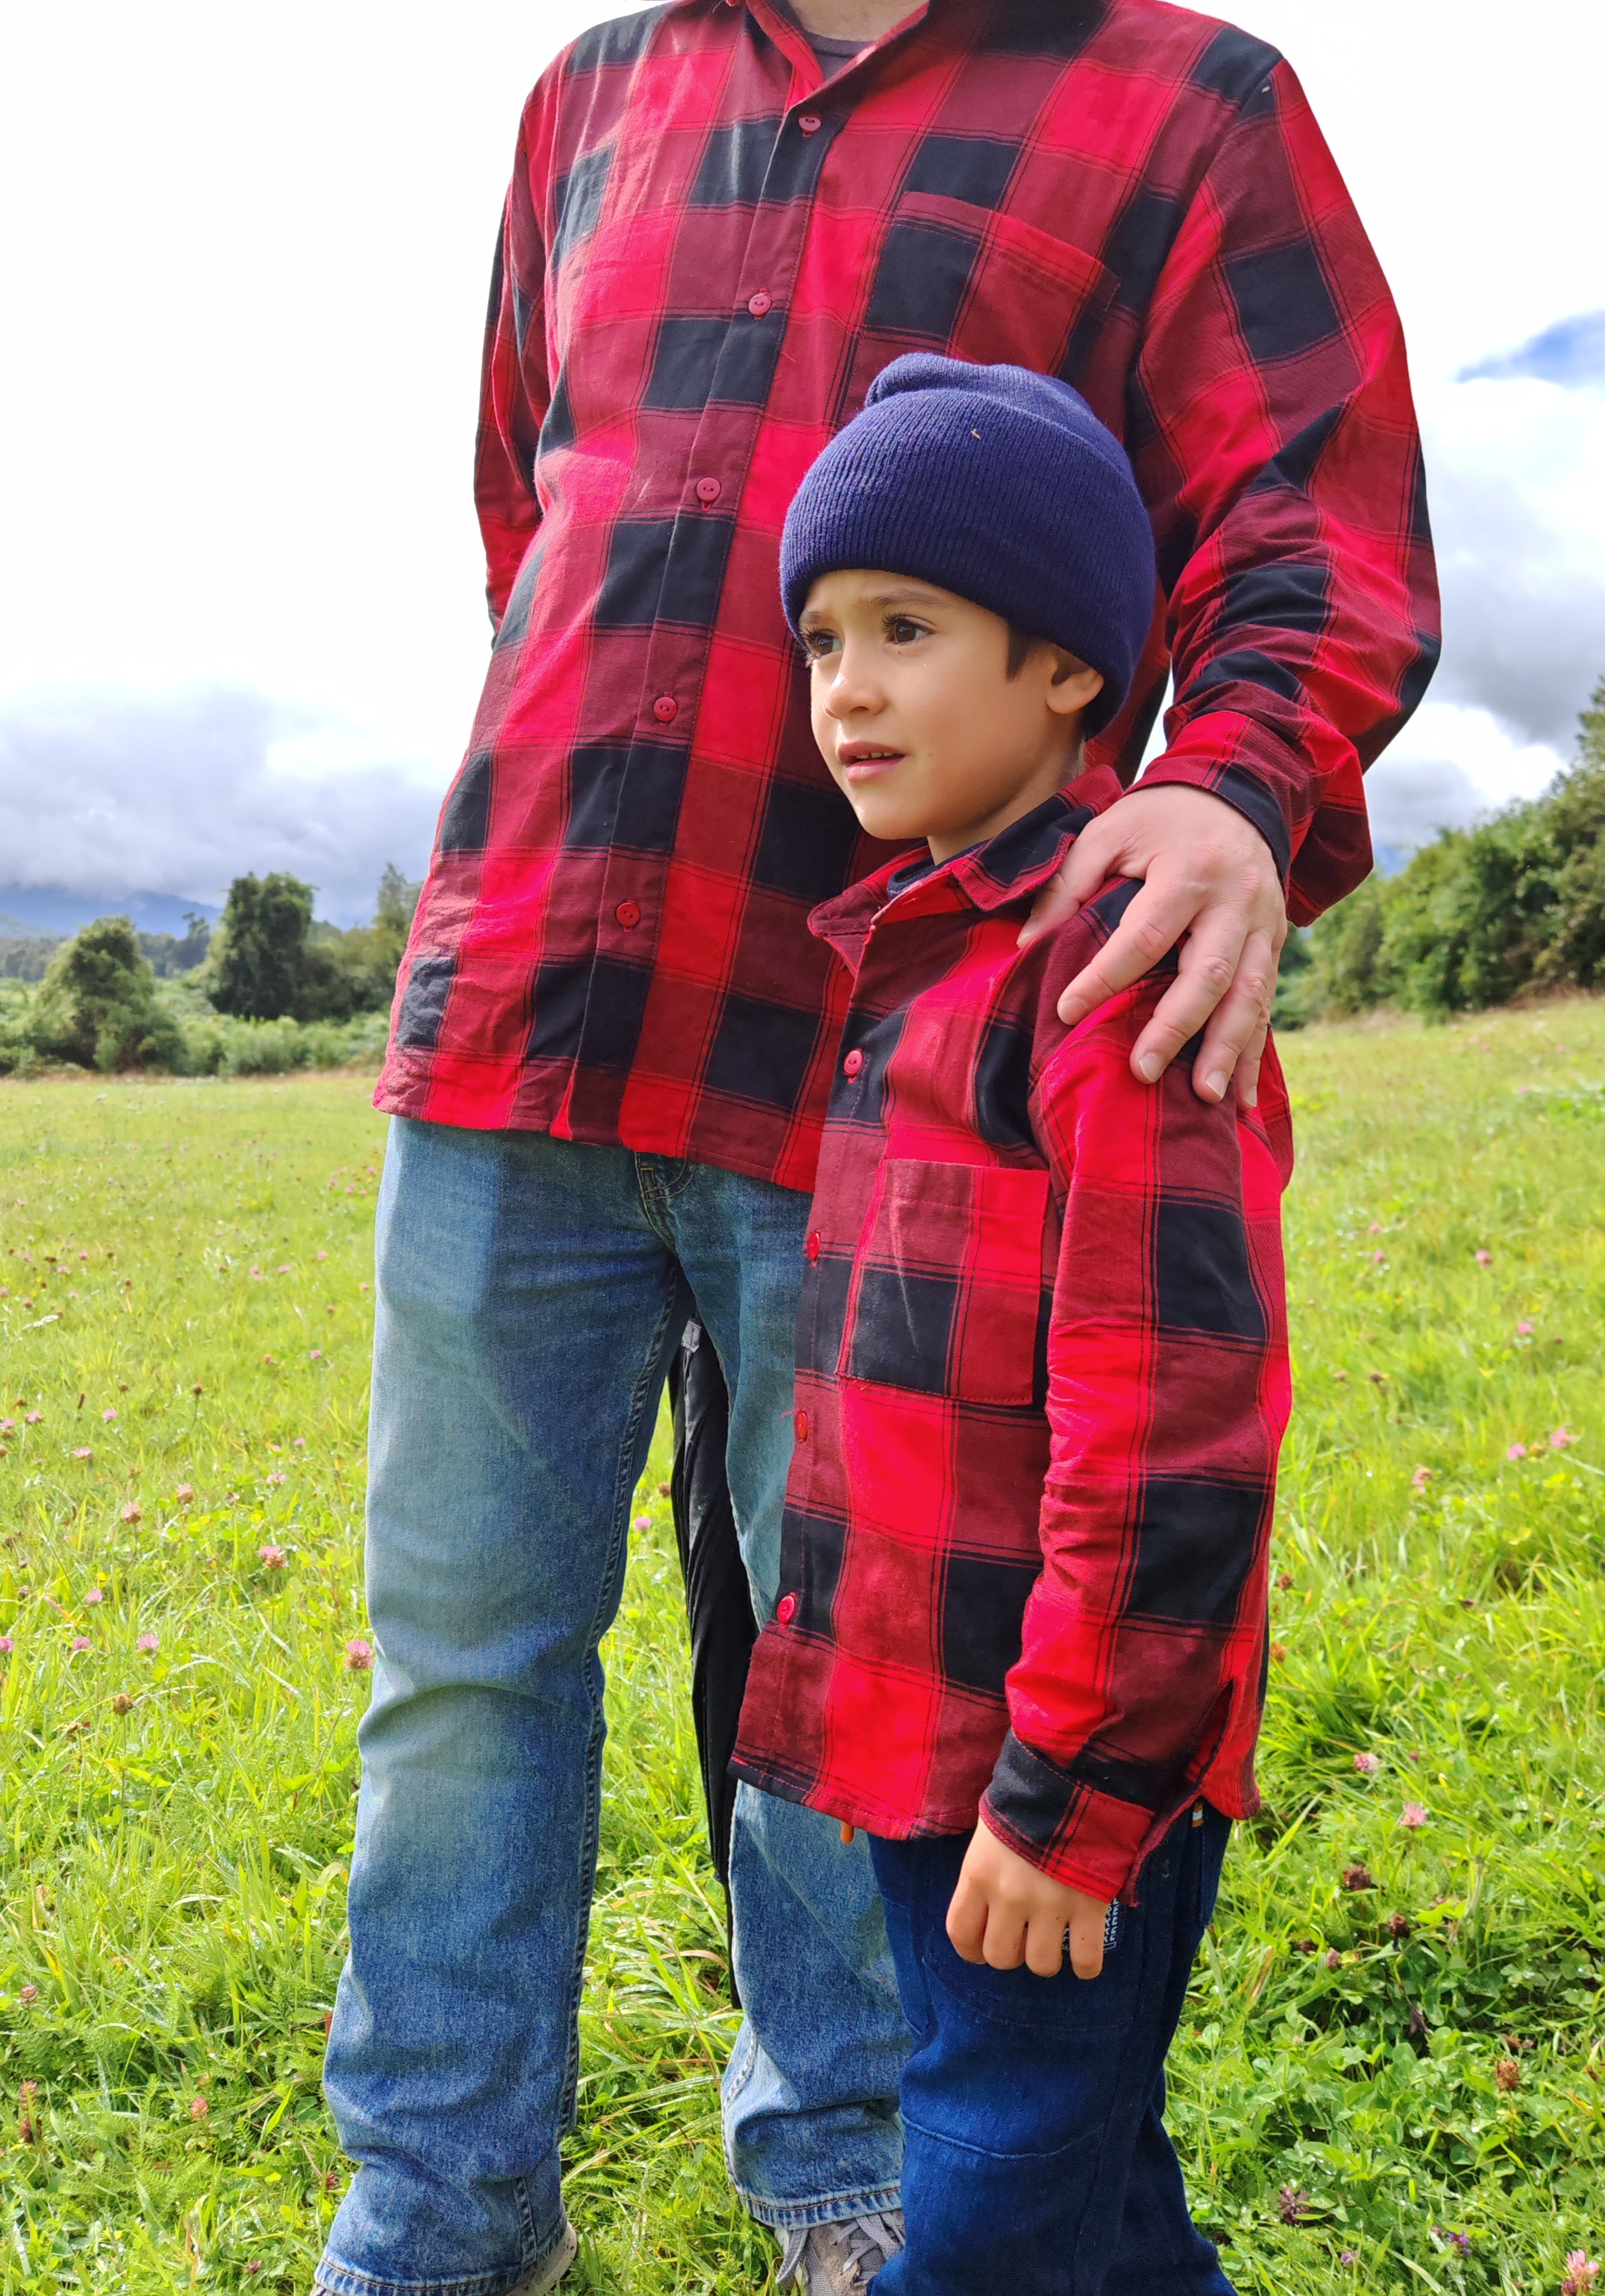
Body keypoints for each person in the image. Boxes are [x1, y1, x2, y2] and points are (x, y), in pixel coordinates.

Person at [314, 2, 1438, 2292]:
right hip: (523, 984)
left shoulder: (1181, 99)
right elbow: (535, 511)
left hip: (881, 1026)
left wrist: (1226, 782)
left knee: (859, 1651)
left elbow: (1309, 504)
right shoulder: (590, 100)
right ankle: (435, 2219)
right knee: (458, 1657)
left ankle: (857, 2172)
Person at [730, 353, 1288, 2294]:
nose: (847, 689)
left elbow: (1172, 1430)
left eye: (906, 628)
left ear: (1068, 665)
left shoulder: (1114, 971)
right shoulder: (914, 959)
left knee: (989, 2180)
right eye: (820, 638)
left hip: (1052, 1755)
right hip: (917, 1716)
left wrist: (1072, 1793)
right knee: (1076, 2160)